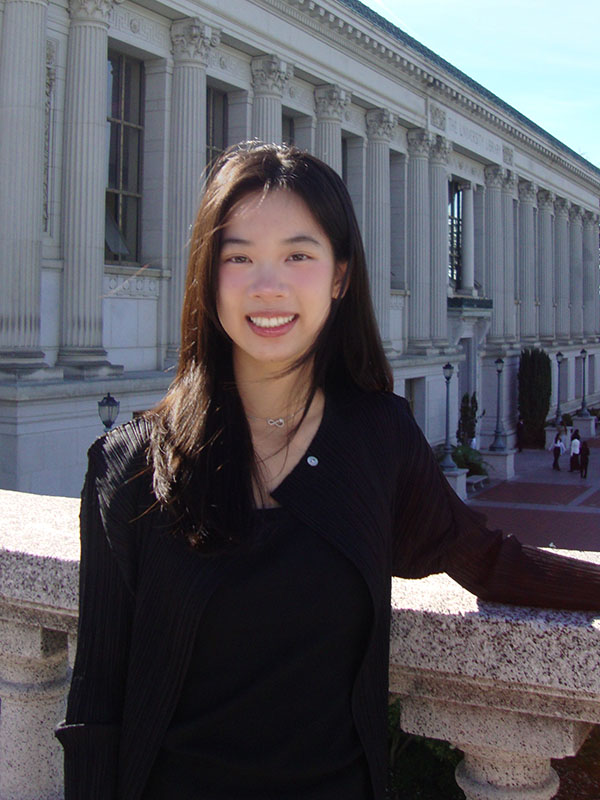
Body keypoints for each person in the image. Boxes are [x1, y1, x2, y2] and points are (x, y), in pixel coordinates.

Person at [56, 143, 600, 800]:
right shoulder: (129, 465)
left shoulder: (378, 439)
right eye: (238, 256)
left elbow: (490, 562)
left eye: (298, 255)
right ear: (209, 274)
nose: (268, 284)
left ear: (339, 276)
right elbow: (95, 707)